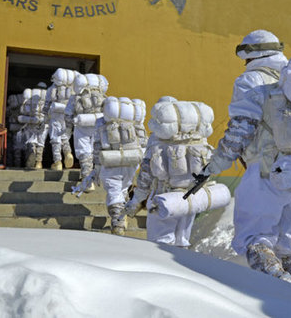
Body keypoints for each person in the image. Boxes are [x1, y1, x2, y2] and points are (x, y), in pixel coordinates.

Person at [201, 29, 291, 287]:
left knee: (255, 239)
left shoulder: (250, 80)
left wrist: (217, 163)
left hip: (267, 171)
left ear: (251, 56)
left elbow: (241, 128)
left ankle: (276, 292)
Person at [125, 97, 217, 247]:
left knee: (160, 243)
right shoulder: (199, 139)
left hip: (163, 196)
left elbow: (146, 173)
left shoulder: (157, 140)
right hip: (191, 197)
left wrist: (136, 200)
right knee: (182, 240)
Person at [93, 96, 146, 235]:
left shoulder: (101, 123)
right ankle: (122, 213)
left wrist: (96, 166)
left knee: (114, 190)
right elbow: (143, 142)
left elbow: (97, 145)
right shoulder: (134, 122)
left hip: (111, 159)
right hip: (131, 160)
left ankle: (118, 222)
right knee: (123, 187)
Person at [65, 73, 108, 190]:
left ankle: (87, 181)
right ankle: (98, 178)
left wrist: (68, 128)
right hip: (98, 126)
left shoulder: (75, 97)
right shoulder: (103, 97)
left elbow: (67, 114)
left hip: (81, 125)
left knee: (84, 152)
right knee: (97, 151)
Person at [44, 69, 78, 171]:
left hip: (55, 115)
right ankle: (68, 153)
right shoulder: (72, 89)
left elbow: (46, 105)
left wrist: (45, 117)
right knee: (64, 137)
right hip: (67, 115)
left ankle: (57, 162)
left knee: (55, 139)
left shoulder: (52, 89)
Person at [18, 82, 49, 169]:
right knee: (41, 142)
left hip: (31, 121)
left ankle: (32, 151)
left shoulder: (30, 95)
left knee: (32, 140)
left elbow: (23, 110)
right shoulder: (47, 96)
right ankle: (39, 162)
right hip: (43, 122)